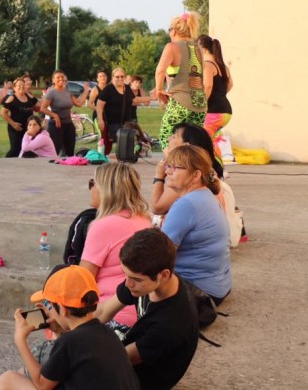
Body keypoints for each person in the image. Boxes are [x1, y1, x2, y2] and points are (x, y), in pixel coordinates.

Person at [0, 265, 140, 390]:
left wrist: (20, 340)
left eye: (50, 305)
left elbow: (42, 384)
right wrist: (58, 330)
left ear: (63, 309)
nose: (49, 310)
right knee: (24, 375)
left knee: (8, 379)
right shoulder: (106, 333)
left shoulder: (69, 342)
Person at [95, 228, 199, 390]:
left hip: (139, 380)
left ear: (164, 275)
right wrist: (69, 325)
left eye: (135, 279)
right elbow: (103, 312)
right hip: (132, 353)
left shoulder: (171, 324)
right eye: (125, 274)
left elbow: (119, 360)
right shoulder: (146, 281)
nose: (128, 283)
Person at [80, 163, 151, 331]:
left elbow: (83, 280)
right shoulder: (143, 220)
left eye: (93, 183)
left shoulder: (104, 226)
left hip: (112, 314)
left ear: (106, 189)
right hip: (142, 313)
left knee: (53, 300)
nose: (90, 188)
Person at [160, 144, 232, 303]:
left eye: (175, 167)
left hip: (200, 291)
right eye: (168, 166)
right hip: (218, 286)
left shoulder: (187, 205)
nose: (167, 172)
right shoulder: (205, 195)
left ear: (195, 176)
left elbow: (160, 255)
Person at [151, 123, 243, 247]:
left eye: (174, 136)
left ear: (186, 146)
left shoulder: (187, 194)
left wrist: (159, 177)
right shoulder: (206, 174)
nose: (169, 139)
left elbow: (157, 208)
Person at [154, 12, 206, 146]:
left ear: (175, 31)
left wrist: (159, 90)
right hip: (200, 103)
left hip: (180, 102)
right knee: (194, 143)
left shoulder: (172, 47)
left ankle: (173, 166)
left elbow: (160, 70)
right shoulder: (198, 48)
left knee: (167, 138)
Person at [96, 67, 151, 155]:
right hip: (112, 122)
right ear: (112, 77)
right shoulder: (108, 89)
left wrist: (152, 98)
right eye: (117, 77)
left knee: (130, 139)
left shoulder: (127, 88)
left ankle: (127, 157)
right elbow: (99, 104)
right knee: (117, 142)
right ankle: (119, 157)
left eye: (122, 77)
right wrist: (100, 119)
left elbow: (134, 100)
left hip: (126, 121)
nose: (120, 79)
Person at [198, 35, 233, 162]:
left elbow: (207, 86)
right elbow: (230, 84)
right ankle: (218, 170)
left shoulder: (207, 65)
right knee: (211, 140)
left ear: (204, 49)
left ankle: (216, 171)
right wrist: (220, 96)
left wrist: (202, 104)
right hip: (225, 111)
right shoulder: (223, 66)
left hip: (213, 112)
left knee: (204, 142)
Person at [41, 70, 88, 157]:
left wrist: (86, 91)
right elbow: (42, 108)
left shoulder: (67, 91)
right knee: (55, 151)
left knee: (70, 151)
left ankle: (68, 169)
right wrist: (55, 115)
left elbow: (79, 103)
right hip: (56, 125)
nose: (61, 79)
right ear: (53, 80)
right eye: (58, 77)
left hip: (68, 124)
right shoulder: (51, 92)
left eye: (62, 77)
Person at [2, 76, 39, 157]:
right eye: (19, 85)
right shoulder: (12, 98)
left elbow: (38, 106)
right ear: (14, 88)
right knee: (15, 149)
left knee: (26, 149)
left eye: (23, 85)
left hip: (28, 128)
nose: (21, 87)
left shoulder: (28, 97)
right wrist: (13, 124)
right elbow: (3, 112)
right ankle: (4, 163)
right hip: (15, 128)